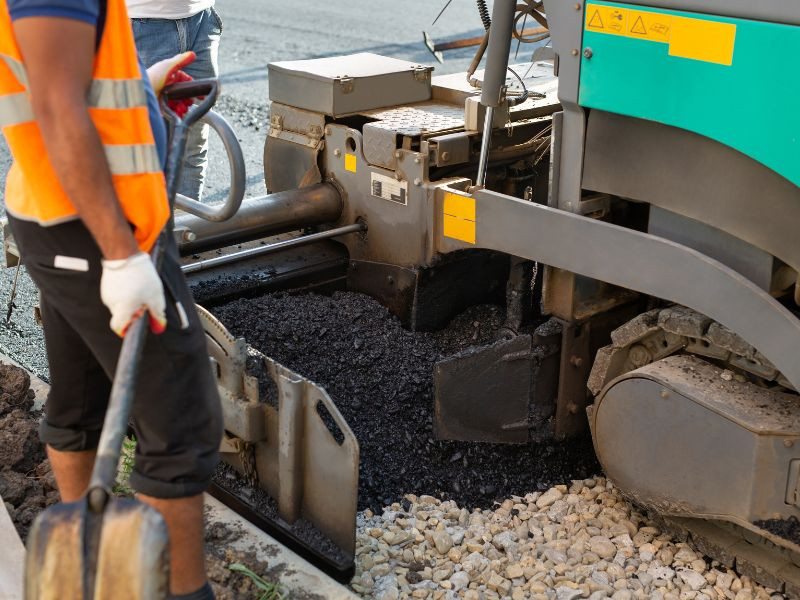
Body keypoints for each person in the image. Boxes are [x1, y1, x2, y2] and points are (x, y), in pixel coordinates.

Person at [0, 1, 223, 598]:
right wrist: (122, 255)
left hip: (55, 217)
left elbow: (67, 78)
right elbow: (54, 105)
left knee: (78, 399)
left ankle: (84, 568)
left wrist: (141, 95)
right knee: (178, 426)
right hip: (97, 229)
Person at [128, 0, 223, 201]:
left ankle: (185, 226)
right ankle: (147, 227)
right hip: (143, 22)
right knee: (145, 144)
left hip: (201, 17)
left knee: (192, 142)